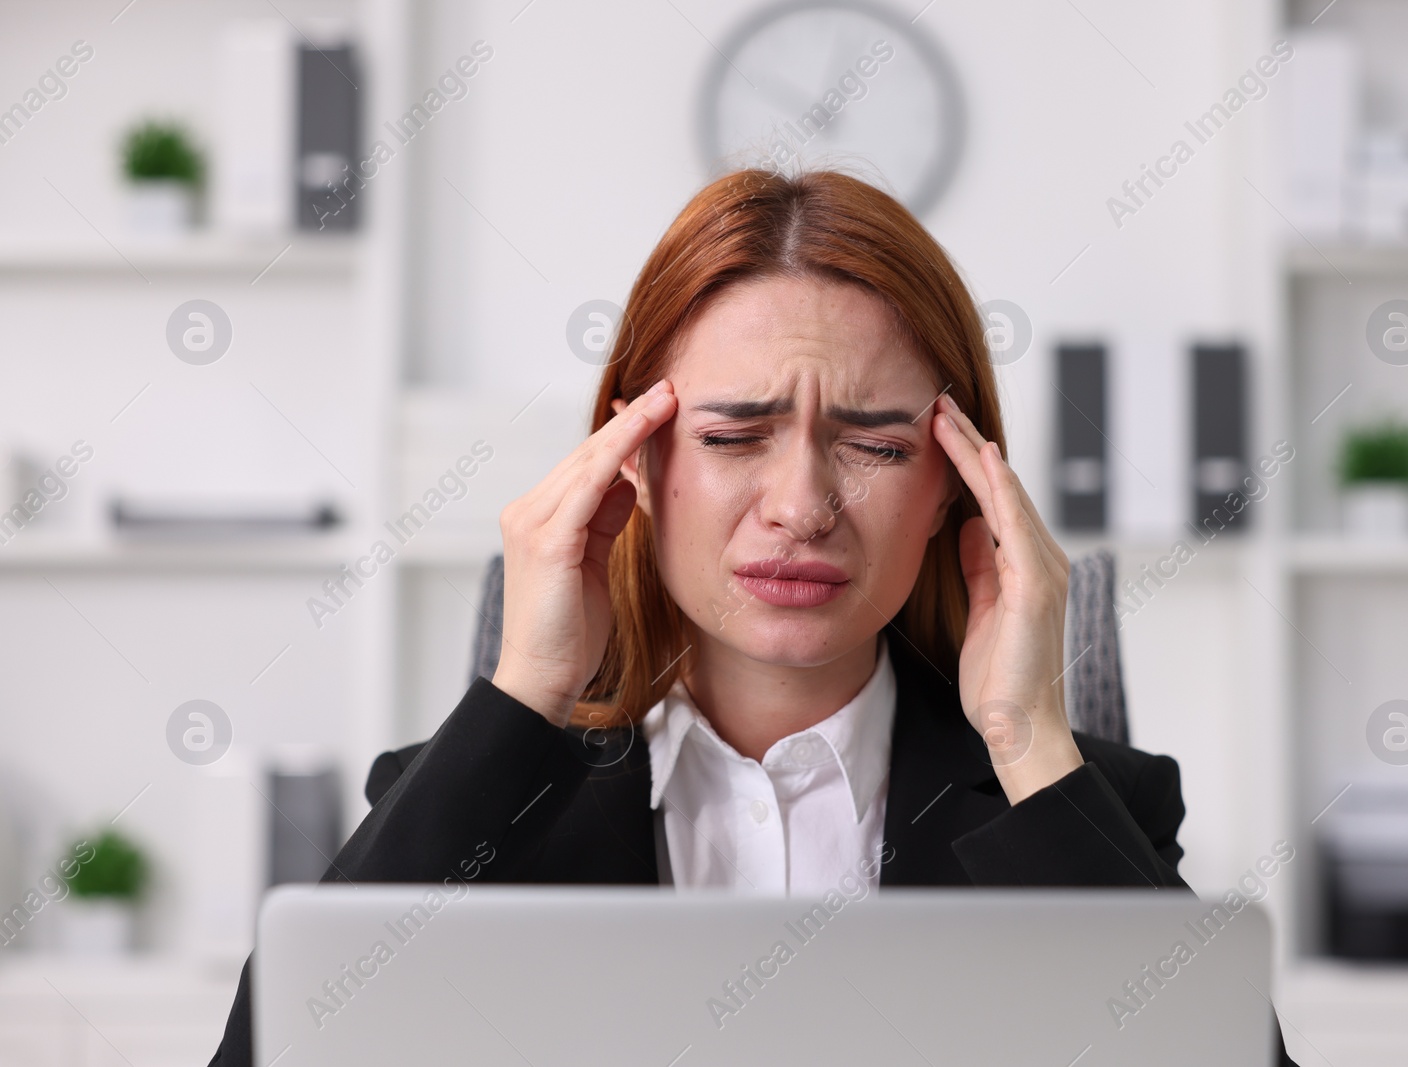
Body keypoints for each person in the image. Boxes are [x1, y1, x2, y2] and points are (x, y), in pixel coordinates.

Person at [210, 167, 1286, 1064]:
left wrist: (1030, 741)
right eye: (732, 434)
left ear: (953, 486)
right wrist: (524, 696)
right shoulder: (469, 801)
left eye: (873, 444)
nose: (801, 507)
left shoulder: (1086, 805)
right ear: (631, 458)